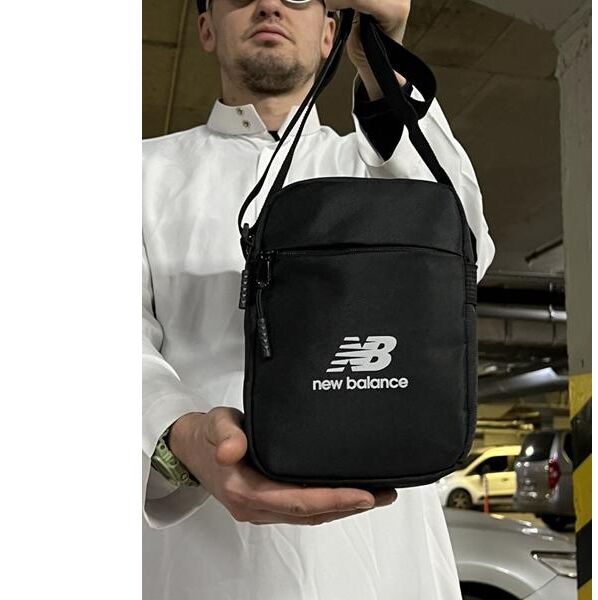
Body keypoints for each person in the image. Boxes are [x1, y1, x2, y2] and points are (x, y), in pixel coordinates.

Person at [143, 0, 495, 598]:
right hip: (203, 548)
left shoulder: (378, 157)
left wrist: (387, 65)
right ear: (206, 27)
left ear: (331, 31)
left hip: (384, 554)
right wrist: (177, 436)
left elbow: (464, 256)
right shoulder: (138, 172)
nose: (270, 3)